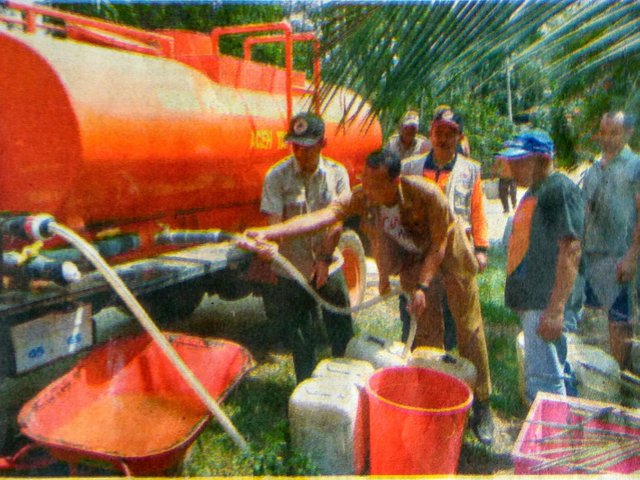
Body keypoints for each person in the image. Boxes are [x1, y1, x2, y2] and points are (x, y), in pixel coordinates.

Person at [239, 149, 495, 444]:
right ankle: (432, 402)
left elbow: (439, 247)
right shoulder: (365, 196)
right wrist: (271, 232)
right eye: (364, 180)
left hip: (449, 254)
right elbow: (325, 216)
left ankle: (482, 404)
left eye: (374, 184)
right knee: (425, 332)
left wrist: (423, 287)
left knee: (468, 327)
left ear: (395, 181)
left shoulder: (427, 194)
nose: (366, 190)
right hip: (414, 256)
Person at [258, 112, 354, 383]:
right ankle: (306, 390)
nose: (300, 153)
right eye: (295, 146)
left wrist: (324, 259)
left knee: (341, 330)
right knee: (301, 338)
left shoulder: (337, 174)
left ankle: (345, 384)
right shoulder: (276, 177)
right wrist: (268, 247)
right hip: (293, 272)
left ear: (323, 143)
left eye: (308, 147)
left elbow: (336, 223)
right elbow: (274, 226)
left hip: (329, 265)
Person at [500, 130, 584, 403]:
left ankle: (550, 426)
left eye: (519, 161)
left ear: (542, 159)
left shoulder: (559, 190)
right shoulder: (535, 192)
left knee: (544, 383)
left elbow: (571, 249)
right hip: (535, 303)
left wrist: (556, 310)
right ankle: (564, 421)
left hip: (546, 304)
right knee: (553, 371)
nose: (511, 167)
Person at [401, 108, 489, 350]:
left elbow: (477, 211)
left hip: (455, 249)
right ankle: (415, 359)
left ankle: (448, 360)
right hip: (420, 250)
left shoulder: (470, 170)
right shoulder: (409, 168)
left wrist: (481, 249)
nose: (443, 138)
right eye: (438, 132)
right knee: (416, 310)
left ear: (459, 137)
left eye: (450, 134)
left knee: (454, 312)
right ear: (430, 133)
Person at [582, 111, 640, 370]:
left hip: (620, 258)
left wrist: (632, 256)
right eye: (603, 132)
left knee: (620, 322)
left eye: (614, 133)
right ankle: (600, 377)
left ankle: (621, 378)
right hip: (592, 258)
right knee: (593, 322)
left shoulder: (635, 166)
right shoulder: (594, 169)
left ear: (628, 133)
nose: (607, 138)